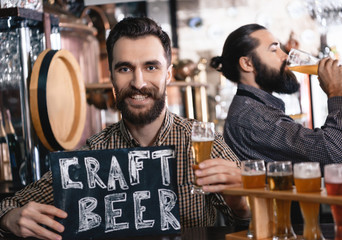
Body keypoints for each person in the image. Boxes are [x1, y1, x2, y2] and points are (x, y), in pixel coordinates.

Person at [0, 17, 249, 240]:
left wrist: (241, 203)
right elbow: (12, 204)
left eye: (151, 67)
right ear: (111, 77)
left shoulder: (204, 143)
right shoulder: (93, 153)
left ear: (169, 75)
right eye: (125, 68)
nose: (138, 82)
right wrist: (9, 218)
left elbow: (251, 224)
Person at [210, 24, 342, 168]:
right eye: (274, 49)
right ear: (247, 63)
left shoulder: (254, 108)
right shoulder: (255, 118)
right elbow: (341, 155)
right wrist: (336, 91)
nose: (285, 56)